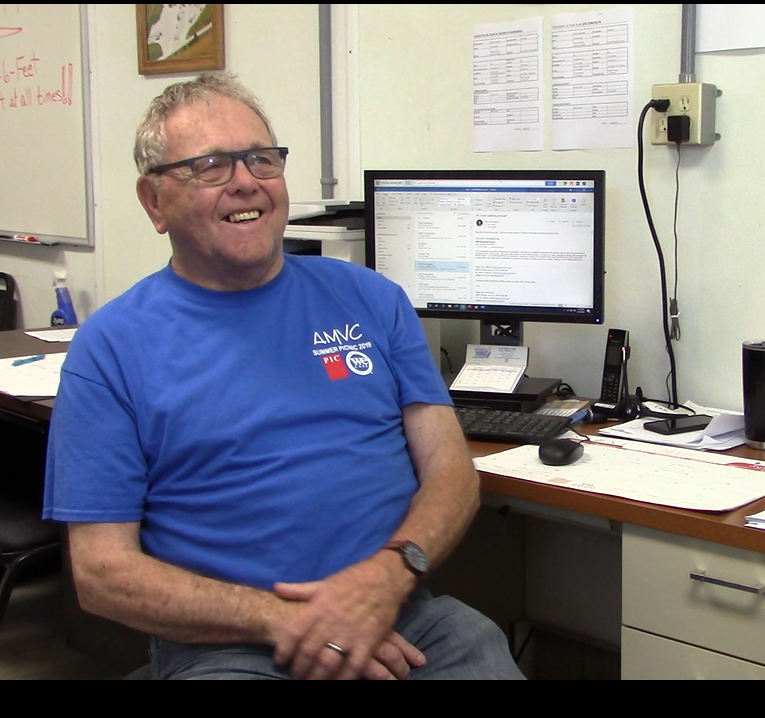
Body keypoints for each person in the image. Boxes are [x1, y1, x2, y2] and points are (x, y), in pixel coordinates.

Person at [43, 72, 523, 680]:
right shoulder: (110, 348)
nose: (247, 181)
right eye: (212, 165)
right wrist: (291, 620)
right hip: (225, 640)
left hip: (396, 610)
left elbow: (452, 471)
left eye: (261, 159)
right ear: (154, 201)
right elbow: (102, 574)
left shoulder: (374, 301)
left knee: (481, 650)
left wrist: (388, 573)